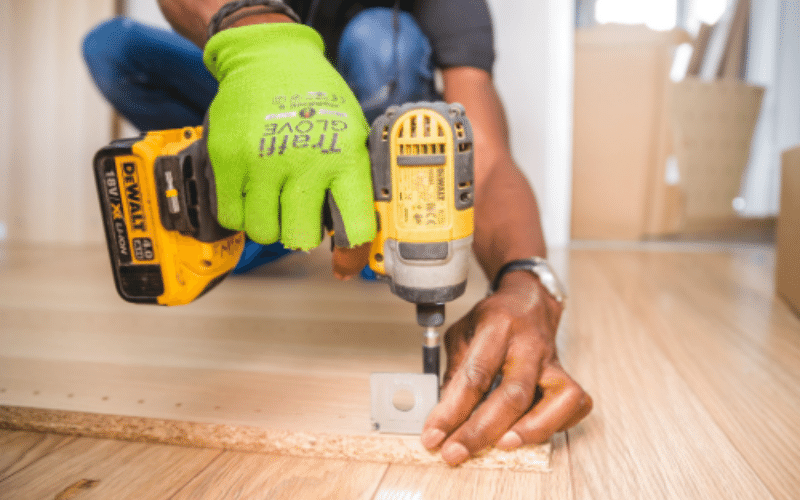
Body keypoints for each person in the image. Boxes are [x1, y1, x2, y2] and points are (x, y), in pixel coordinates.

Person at [82, 0, 592, 466]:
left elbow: (484, 152)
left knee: (381, 40)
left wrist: (527, 277)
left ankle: (360, 225)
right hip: (269, 106)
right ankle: (259, 212)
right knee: (115, 47)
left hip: (370, 149)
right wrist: (258, 40)